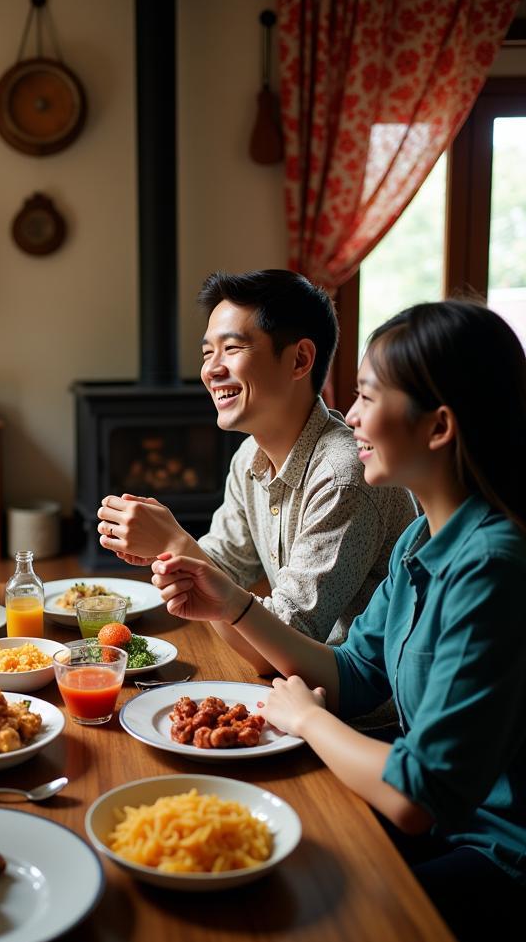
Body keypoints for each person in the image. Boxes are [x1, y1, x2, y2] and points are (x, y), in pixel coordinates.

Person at [151, 300, 526, 942]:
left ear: (439, 426)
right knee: (245, 839)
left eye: (370, 395)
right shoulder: (424, 538)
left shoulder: (492, 566)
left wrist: (306, 721)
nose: (350, 415)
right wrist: (232, 605)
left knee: (292, 921)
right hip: (443, 819)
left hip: (497, 851)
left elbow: (416, 795)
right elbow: (354, 673)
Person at [97, 270, 416, 673]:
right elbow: (224, 565)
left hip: (358, 712)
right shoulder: (250, 455)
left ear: (299, 359)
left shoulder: (343, 475)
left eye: (232, 348)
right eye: (206, 352)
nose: (211, 370)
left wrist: (177, 542)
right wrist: (162, 549)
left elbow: (284, 646)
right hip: (301, 689)